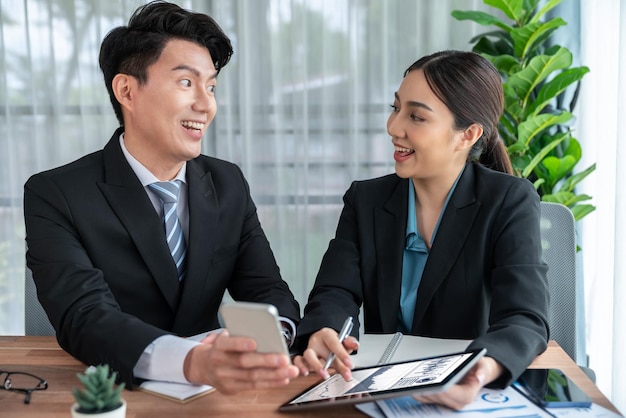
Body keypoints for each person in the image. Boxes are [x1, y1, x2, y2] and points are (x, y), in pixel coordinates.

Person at [23, 1, 300, 395]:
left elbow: (268, 291)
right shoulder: (56, 194)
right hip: (116, 395)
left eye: (211, 86)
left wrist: (274, 343)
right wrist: (192, 361)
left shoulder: (228, 182)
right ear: (127, 91)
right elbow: (83, 316)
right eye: (186, 82)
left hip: (215, 398)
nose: (206, 104)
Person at [293, 50, 549, 409]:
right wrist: (326, 332)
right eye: (395, 108)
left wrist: (477, 370)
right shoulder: (366, 199)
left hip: (465, 398)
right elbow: (335, 292)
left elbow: (524, 318)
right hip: (377, 394)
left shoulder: (509, 201)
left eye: (416, 116)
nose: (393, 127)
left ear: (468, 135)